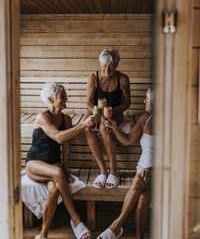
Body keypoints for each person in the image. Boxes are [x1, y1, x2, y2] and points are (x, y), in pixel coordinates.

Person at [25, 82, 96, 239]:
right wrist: (83, 125)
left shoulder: (67, 120)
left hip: (53, 166)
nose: (66, 99)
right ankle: (76, 220)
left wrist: (65, 169)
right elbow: (58, 137)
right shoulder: (43, 117)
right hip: (34, 164)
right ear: (51, 100)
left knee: (54, 190)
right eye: (62, 97)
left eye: (65, 96)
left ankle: (42, 235)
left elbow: (67, 147)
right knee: (57, 172)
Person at [97, 88, 153, 239]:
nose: (144, 101)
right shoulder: (145, 118)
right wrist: (114, 127)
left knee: (139, 179)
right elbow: (127, 141)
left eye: (147, 98)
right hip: (142, 170)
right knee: (143, 197)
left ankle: (115, 227)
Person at [84, 48, 131, 189]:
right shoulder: (93, 78)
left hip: (115, 110)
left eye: (110, 66)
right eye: (104, 65)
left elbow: (127, 103)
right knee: (87, 126)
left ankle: (114, 171)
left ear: (116, 65)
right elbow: (88, 103)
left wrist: (111, 111)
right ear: (101, 64)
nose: (107, 69)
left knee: (105, 127)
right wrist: (96, 113)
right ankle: (103, 170)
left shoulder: (123, 79)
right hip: (97, 109)